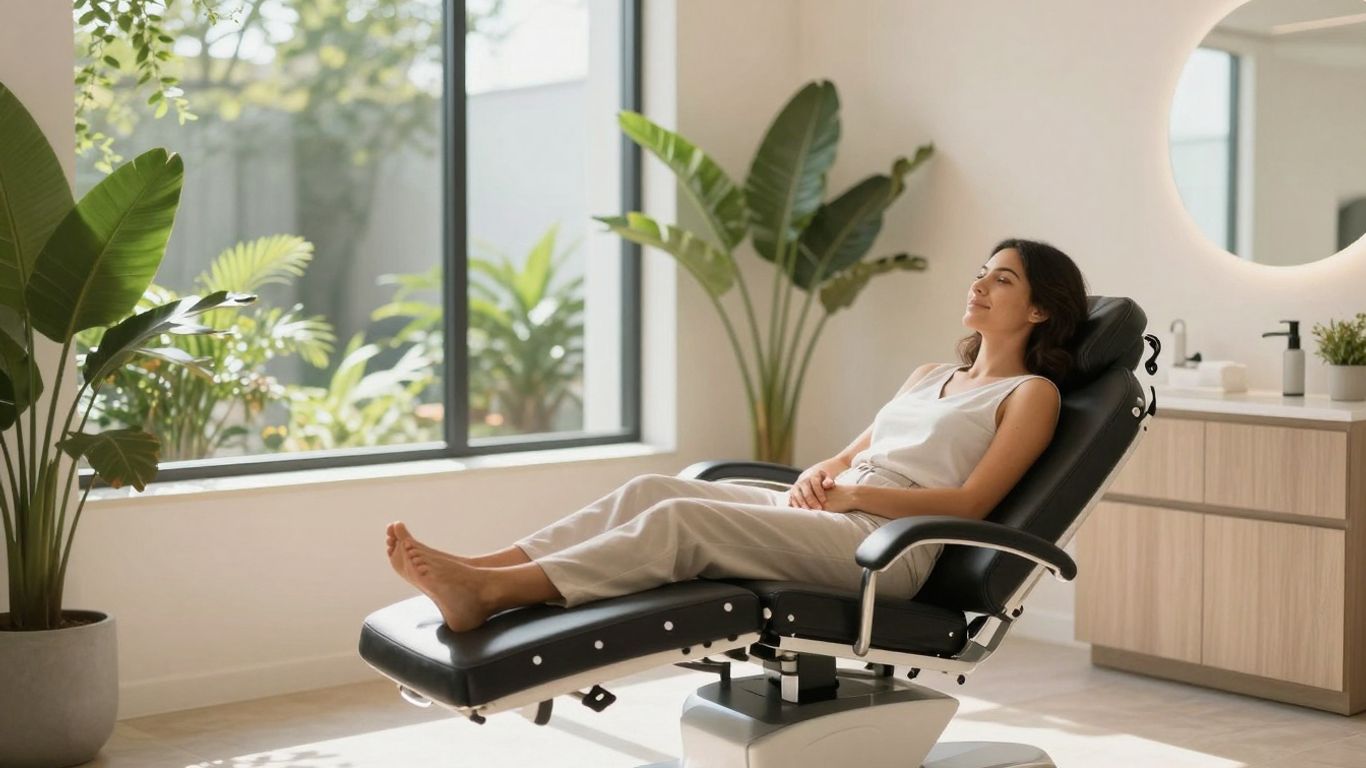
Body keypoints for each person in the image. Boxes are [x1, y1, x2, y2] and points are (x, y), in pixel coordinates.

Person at [385, 238, 1087, 633]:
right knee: (656, 487)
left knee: (683, 521)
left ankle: (495, 593)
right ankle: (482, 568)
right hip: (838, 508)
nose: (980, 287)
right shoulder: (931, 372)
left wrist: (847, 501)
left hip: (889, 547)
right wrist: (822, 476)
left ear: (1038, 311)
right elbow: (850, 453)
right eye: (980, 272)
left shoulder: (1031, 395)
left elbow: (969, 506)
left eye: (1001, 280)